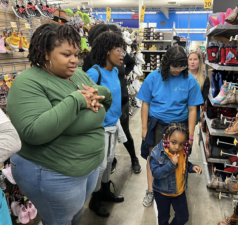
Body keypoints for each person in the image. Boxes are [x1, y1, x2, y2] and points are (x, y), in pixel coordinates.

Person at [7, 23, 112, 225]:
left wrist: (100, 95)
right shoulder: (27, 82)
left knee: (74, 216)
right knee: (59, 220)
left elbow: (105, 101)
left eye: (76, 54)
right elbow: (35, 131)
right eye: (66, 55)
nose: (74, 60)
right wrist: (78, 101)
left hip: (88, 167)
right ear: (46, 53)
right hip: (54, 172)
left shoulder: (77, 74)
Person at [137, 46, 204, 207]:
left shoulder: (190, 81)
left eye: (182, 66)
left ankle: (178, 189)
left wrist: (191, 135)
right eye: (175, 66)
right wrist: (144, 128)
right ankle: (150, 190)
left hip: (180, 125)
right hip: (157, 124)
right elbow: (145, 104)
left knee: (180, 157)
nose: (178, 70)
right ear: (167, 63)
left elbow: (192, 109)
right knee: (154, 156)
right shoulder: (153, 77)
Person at [82, 24, 141, 174]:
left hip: (120, 101)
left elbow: (131, 62)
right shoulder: (93, 64)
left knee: (124, 133)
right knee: (104, 154)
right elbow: (86, 86)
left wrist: (126, 74)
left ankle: (133, 158)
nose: (122, 54)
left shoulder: (116, 63)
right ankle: (102, 181)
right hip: (103, 113)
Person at [86, 31, 126, 218]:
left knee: (109, 161)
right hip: (99, 128)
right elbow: (81, 96)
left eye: (123, 50)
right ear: (107, 51)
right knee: (100, 165)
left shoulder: (116, 71)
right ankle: (94, 199)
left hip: (113, 124)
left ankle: (105, 191)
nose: (123, 54)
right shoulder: (95, 72)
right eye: (119, 49)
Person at [150, 122, 202, 225]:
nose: (177, 147)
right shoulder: (156, 153)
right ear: (165, 137)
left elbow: (184, 165)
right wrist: (171, 164)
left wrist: (192, 167)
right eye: (173, 142)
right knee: (163, 218)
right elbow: (156, 174)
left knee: (183, 217)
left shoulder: (183, 151)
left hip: (179, 191)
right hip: (162, 193)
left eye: (182, 144)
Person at [188, 50, 210, 122]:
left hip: (194, 112)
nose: (192, 62)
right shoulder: (182, 76)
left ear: (200, 61)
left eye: (195, 59)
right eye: (190, 59)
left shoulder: (204, 79)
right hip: (180, 111)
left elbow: (203, 100)